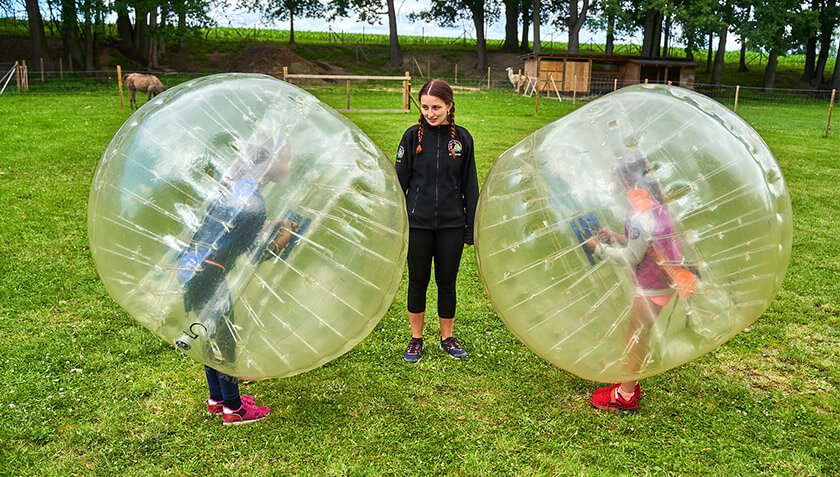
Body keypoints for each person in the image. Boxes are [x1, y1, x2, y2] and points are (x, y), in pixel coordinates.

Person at [180, 131, 298, 425]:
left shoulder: (237, 188)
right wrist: (286, 236)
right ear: (270, 163)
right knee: (225, 336)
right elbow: (259, 253)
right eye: (286, 159)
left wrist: (272, 223)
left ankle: (217, 399)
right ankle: (235, 409)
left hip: (193, 268)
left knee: (211, 331)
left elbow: (233, 227)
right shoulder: (254, 202)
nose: (289, 164)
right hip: (211, 275)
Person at [584, 151, 695, 413]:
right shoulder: (652, 204)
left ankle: (624, 396)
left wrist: (597, 248)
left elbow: (632, 257)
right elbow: (648, 244)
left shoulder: (640, 215)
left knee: (635, 337)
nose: (611, 177)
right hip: (662, 280)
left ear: (625, 177)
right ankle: (629, 384)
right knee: (639, 334)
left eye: (615, 172)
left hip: (652, 286)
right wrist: (616, 236)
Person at [394, 79, 480, 363]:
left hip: (451, 226)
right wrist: (398, 223)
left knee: (447, 282)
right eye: (426, 107)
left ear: (449, 106)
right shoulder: (411, 137)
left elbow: (470, 186)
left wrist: (470, 230)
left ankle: (447, 338)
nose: (430, 113)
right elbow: (398, 184)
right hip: (417, 224)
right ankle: (416, 340)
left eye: (437, 107)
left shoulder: (462, 140)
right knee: (418, 282)